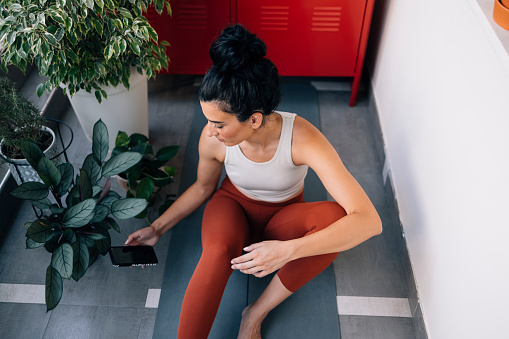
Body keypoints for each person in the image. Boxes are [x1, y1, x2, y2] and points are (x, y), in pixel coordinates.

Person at [125, 24, 382, 339]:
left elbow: (369, 221)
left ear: (255, 119)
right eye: (208, 120)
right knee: (217, 251)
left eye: (219, 124)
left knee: (335, 218)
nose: (210, 131)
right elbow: (203, 187)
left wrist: (289, 250)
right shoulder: (212, 139)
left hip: (283, 218)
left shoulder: (303, 138)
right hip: (231, 205)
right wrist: (156, 228)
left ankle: (254, 314)